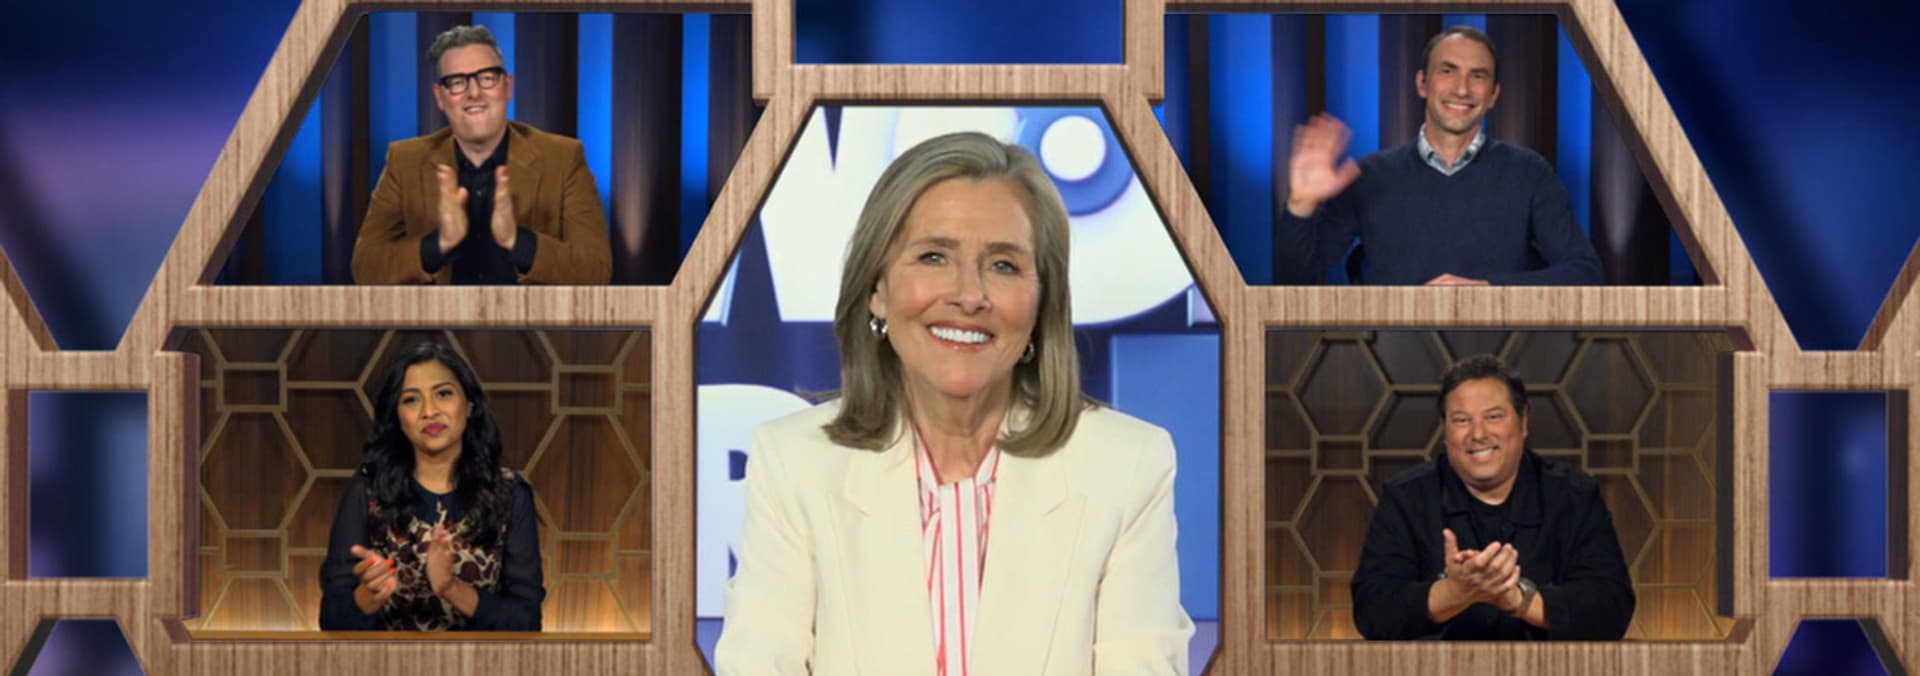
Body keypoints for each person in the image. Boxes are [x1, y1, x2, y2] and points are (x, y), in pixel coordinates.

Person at [715, 132, 1194, 674]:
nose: (969, 295)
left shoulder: (1127, 467)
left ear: (1043, 303)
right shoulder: (793, 463)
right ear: (877, 290)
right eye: (934, 257)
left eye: (1004, 265)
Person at [1277, 26, 1603, 285]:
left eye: (1478, 75)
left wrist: (1489, 290)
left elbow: (1585, 273)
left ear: (1493, 95)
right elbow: (1296, 283)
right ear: (1422, 83)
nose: (1462, 89)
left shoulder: (1529, 171)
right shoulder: (1369, 175)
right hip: (1392, 345)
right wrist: (1301, 205)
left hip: (1497, 342)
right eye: (1448, 71)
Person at [1351, 354, 1634, 640]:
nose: (1478, 434)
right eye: (1461, 420)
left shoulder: (1575, 497)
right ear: (1445, 432)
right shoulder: (1405, 498)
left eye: (1494, 417)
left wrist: (1516, 599)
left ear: (1523, 422)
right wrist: (1453, 593)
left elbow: (1612, 609)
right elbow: (1372, 611)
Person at [351, 25, 611, 284]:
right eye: (457, 82)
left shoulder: (563, 158)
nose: (474, 93)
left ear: (507, 86)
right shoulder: (404, 161)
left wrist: (517, 240)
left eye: (487, 78)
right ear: (440, 97)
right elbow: (365, 267)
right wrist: (438, 243)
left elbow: (596, 270)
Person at [319, 342, 545, 630]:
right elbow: (331, 620)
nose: (429, 411)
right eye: (411, 400)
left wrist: (451, 587)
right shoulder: (367, 491)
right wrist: (368, 596)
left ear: (470, 405)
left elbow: (527, 622)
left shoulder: (509, 494)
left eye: (443, 394)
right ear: (398, 417)